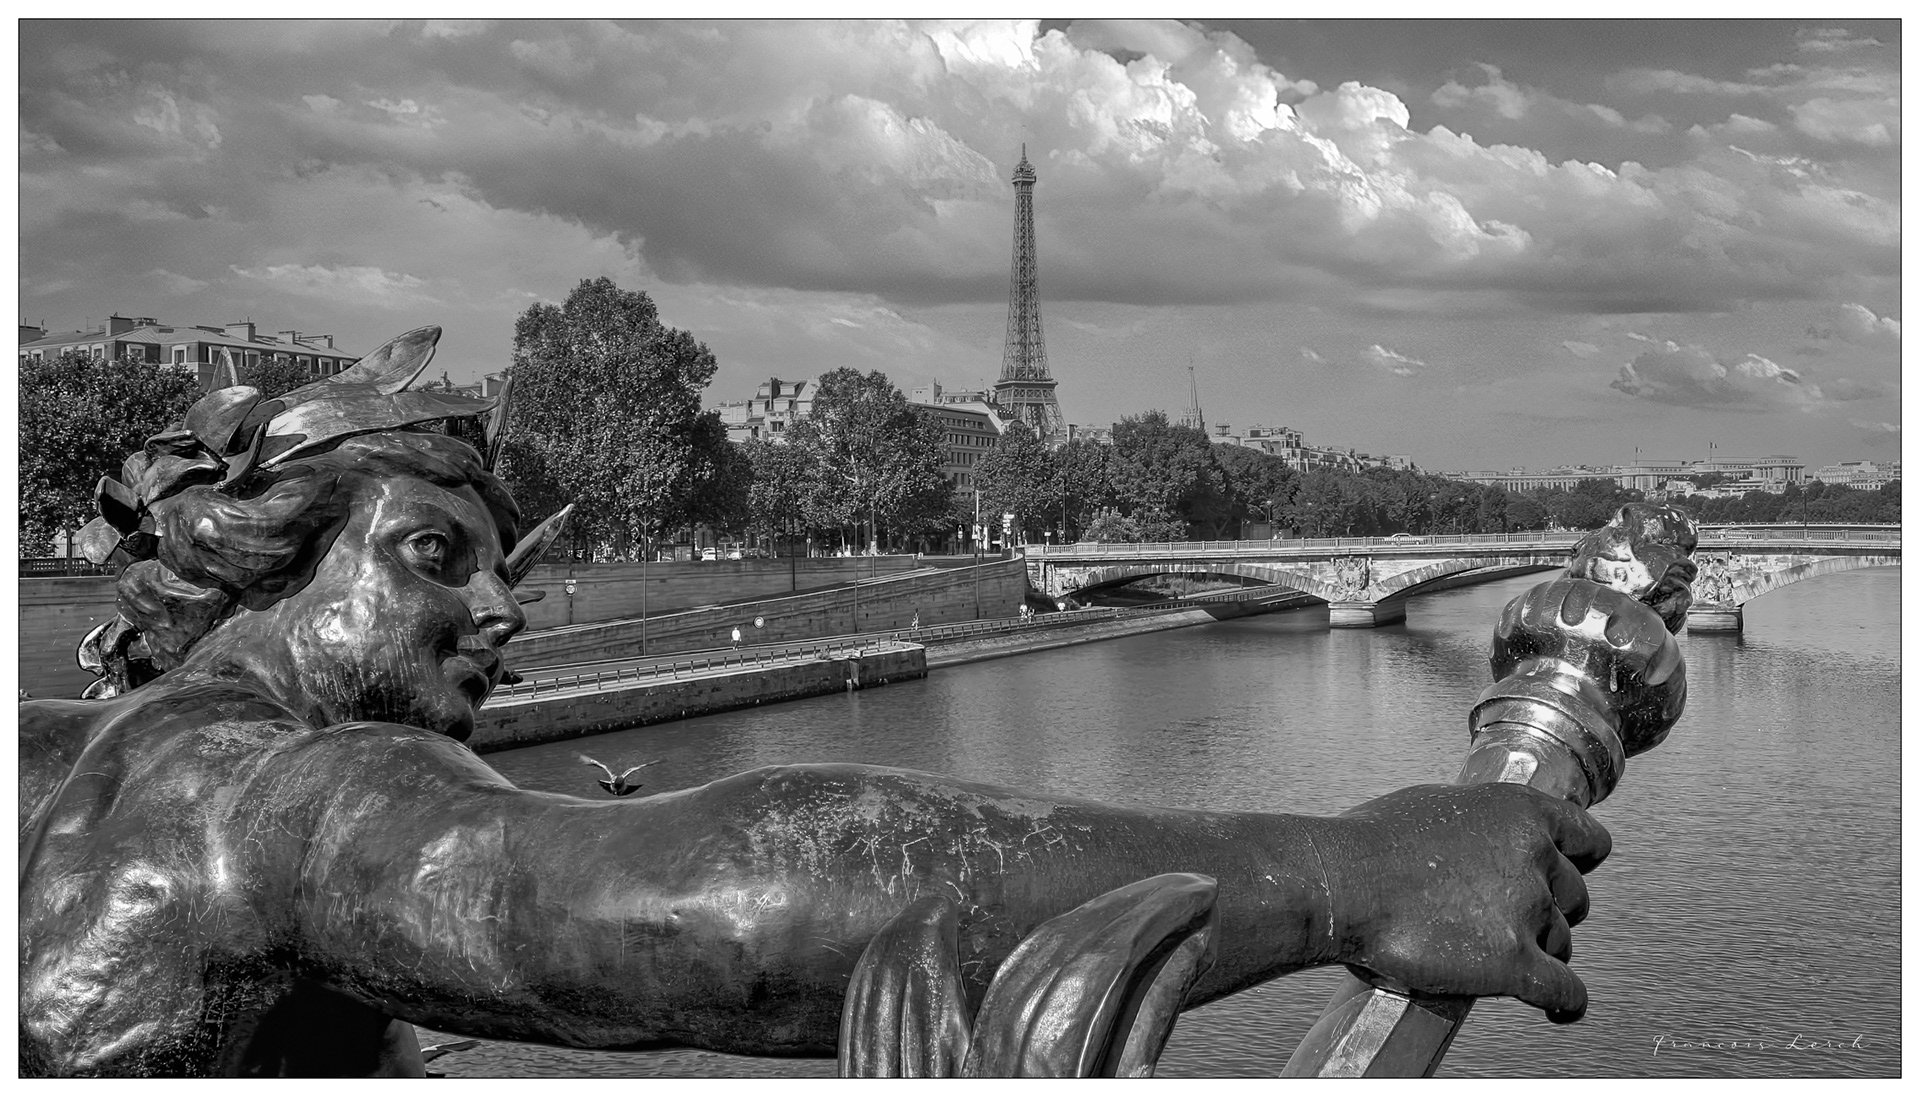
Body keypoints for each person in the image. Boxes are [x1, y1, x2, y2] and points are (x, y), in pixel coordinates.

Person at [20, 331, 1611, 1078]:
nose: (500, 608)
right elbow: (695, 898)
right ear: (256, 562)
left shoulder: (61, 755)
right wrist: (1351, 872)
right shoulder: (265, 797)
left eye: (503, 566)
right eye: (434, 556)